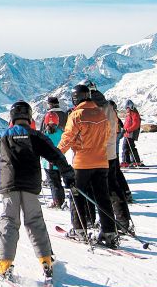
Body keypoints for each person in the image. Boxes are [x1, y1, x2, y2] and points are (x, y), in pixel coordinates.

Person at [0, 101, 75, 279]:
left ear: (12, 117)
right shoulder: (36, 136)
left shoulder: (3, 135)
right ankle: (46, 260)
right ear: (29, 117)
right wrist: (68, 174)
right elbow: (55, 154)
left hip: (9, 185)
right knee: (35, 221)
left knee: (9, 221)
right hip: (31, 185)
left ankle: (4, 263)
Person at [57, 84, 118, 248]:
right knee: (103, 197)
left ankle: (79, 229)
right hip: (102, 162)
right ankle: (109, 232)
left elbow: (68, 138)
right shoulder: (100, 113)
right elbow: (108, 135)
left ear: (75, 99)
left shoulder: (76, 115)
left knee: (77, 195)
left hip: (82, 162)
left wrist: (56, 154)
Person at [89, 86, 133, 234]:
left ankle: (103, 223)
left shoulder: (93, 107)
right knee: (113, 187)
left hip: (98, 153)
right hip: (111, 152)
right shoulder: (108, 106)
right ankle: (123, 221)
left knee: (98, 189)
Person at [40, 111, 65, 208]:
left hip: (48, 163)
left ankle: (57, 202)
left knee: (53, 183)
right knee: (58, 182)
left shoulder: (44, 134)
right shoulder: (61, 132)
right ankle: (61, 200)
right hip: (60, 161)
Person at [122, 100, 144, 167]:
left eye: (127, 107)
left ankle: (127, 162)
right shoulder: (129, 114)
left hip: (130, 133)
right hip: (127, 133)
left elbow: (136, 124)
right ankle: (134, 161)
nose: (126, 109)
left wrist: (128, 130)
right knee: (129, 147)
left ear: (130, 107)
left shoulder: (134, 113)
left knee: (126, 147)